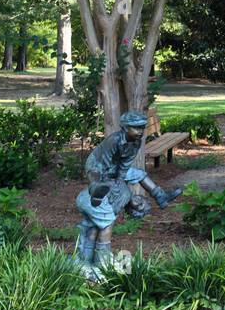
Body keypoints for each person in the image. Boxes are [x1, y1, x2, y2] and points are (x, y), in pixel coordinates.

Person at [73, 110, 181, 276]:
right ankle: (96, 189)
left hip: (115, 171)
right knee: (99, 181)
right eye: (136, 128)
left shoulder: (136, 143)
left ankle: (159, 195)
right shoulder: (114, 140)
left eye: (142, 128)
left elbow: (125, 165)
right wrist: (108, 181)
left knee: (137, 173)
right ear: (125, 128)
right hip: (98, 165)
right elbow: (104, 162)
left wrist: (119, 179)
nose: (140, 131)